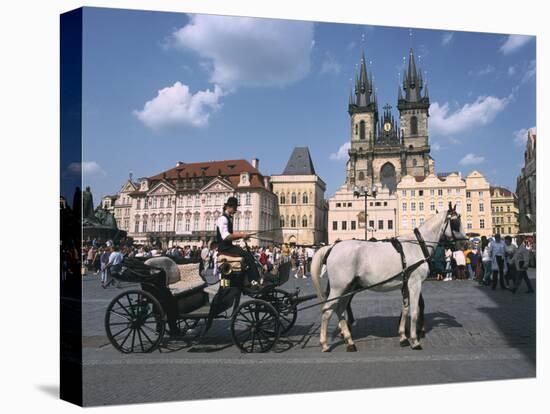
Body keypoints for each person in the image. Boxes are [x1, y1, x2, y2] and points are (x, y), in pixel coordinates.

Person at [215, 196, 261, 285]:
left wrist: (242, 235)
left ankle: (249, 279)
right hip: (225, 248)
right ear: (229, 207)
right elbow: (225, 237)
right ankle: (254, 280)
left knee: (247, 253)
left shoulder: (228, 218)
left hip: (228, 247)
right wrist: (241, 235)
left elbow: (230, 235)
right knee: (247, 256)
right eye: (235, 208)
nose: (236, 210)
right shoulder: (223, 219)